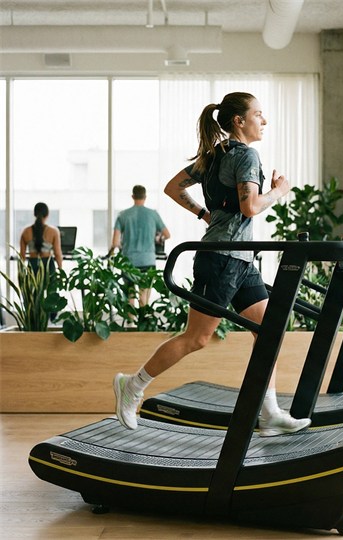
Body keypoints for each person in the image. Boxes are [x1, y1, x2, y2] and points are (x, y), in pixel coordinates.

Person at [113, 91, 310, 437]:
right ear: (239, 121)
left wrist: (205, 214)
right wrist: (280, 190)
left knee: (269, 331)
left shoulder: (213, 155)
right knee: (197, 338)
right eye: (259, 115)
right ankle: (132, 384)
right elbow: (250, 207)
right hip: (220, 260)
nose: (264, 121)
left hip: (241, 260)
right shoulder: (246, 155)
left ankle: (270, 414)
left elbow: (174, 187)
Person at [108, 185, 171, 307]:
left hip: (128, 261)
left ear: (132, 196)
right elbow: (167, 235)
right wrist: (159, 238)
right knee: (144, 296)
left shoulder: (123, 215)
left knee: (130, 296)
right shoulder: (153, 214)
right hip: (147, 260)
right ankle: (142, 321)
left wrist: (121, 247)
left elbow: (115, 242)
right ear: (145, 197)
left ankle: (130, 323)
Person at [19, 202, 63, 272]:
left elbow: (22, 255)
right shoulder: (54, 231)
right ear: (47, 215)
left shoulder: (25, 231)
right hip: (48, 266)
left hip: (32, 266)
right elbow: (57, 254)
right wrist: (60, 270)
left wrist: (21, 273)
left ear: (34, 214)